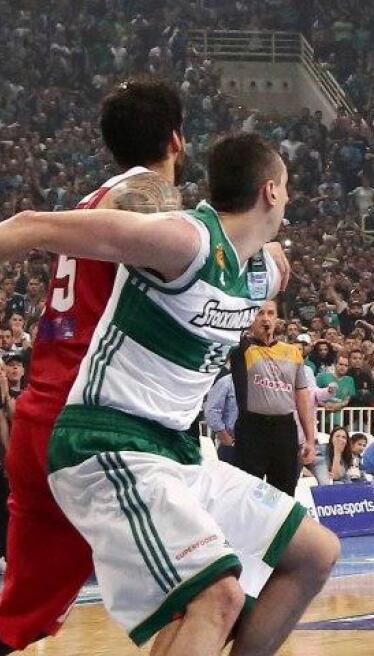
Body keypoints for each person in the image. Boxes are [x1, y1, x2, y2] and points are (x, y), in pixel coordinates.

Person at [0, 133, 339, 653]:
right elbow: (30, 226)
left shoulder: (264, 268)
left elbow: (271, 266)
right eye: (287, 188)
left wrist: (271, 257)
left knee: (315, 553)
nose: (289, 200)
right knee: (217, 598)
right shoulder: (185, 242)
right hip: (107, 440)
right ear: (272, 192)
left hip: (175, 450)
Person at [0, 79, 196, 654]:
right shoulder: (149, 197)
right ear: (178, 140)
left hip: (42, 415)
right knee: (207, 592)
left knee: (17, 620)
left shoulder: (94, 203)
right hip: (95, 426)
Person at [231, 301, 317, 496]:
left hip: (284, 429)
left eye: (270, 313)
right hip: (252, 428)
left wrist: (310, 440)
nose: (266, 318)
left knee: (283, 493)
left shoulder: (292, 352)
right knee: (247, 492)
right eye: (260, 313)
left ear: (277, 318)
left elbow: (302, 398)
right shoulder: (241, 349)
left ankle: (277, 526)